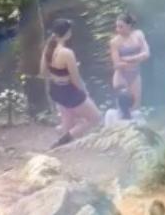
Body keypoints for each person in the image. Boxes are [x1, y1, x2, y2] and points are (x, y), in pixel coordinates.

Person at [42, 18, 101, 148]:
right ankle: (61, 143)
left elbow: (43, 72)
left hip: (56, 90)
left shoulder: (48, 49)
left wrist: (58, 77)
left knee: (68, 123)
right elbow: (75, 78)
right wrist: (84, 92)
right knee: (95, 117)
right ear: (68, 33)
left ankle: (63, 144)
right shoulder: (67, 53)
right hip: (69, 91)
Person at [109, 13, 150, 110]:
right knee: (123, 106)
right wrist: (139, 58)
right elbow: (117, 64)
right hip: (121, 76)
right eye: (117, 27)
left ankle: (135, 124)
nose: (118, 29)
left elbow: (147, 53)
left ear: (129, 26)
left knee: (136, 105)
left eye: (121, 27)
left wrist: (130, 59)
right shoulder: (115, 42)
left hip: (135, 74)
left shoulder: (138, 35)